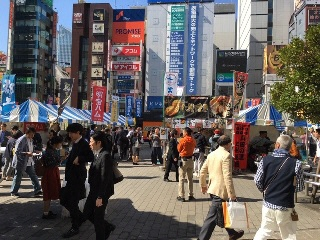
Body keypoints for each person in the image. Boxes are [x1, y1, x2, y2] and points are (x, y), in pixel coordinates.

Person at [254, 134, 304, 240]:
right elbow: (300, 187)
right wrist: (289, 190)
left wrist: (265, 190)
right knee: (288, 235)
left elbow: (257, 180)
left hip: (268, 202)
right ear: (290, 147)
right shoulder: (296, 163)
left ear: (277, 145)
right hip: (285, 204)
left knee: (264, 230)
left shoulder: (265, 160)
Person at [198, 135, 244, 240]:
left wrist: (203, 185)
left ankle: (232, 233)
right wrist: (232, 194)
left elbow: (202, 171)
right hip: (220, 191)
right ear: (228, 144)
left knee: (221, 212)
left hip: (212, 188)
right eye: (230, 143)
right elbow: (227, 176)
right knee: (212, 218)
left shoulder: (212, 154)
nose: (231, 145)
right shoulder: (226, 155)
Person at [79, 131, 115, 240]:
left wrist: (100, 197)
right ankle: (108, 226)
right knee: (86, 213)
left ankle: (102, 235)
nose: (89, 144)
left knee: (98, 219)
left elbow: (105, 178)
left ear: (98, 143)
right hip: (94, 190)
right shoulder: (97, 153)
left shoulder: (105, 155)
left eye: (91, 142)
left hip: (101, 192)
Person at [61, 123, 94, 239]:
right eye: (69, 133)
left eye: (71, 133)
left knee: (72, 202)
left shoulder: (83, 143)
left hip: (77, 177)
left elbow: (91, 157)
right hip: (71, 177)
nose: (69, 135)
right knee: (64, 199)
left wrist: (80, 158)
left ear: (78, 133)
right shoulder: (75, 143)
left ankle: (75, 226)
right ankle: (80, 218)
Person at [10, 127, 42, 197]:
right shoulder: (21, 140)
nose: (32, 136)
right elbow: (17, 152)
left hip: (29, 161)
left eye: (33, 134)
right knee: (18, 176)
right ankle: (14, 191)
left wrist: (35, 151)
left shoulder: (31, 139)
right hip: (21, 161)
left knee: (33, 175)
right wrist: (26, 153)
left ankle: (38, 190)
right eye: (31, 134)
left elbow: (31, 149)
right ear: (27, 133)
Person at [41, 136, 64, 219]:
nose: (61, 145)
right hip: (51, 173)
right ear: (56, 144)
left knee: (48, 193)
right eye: (60, 143)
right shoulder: (52, 152)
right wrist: (63, 158)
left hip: (49, 172)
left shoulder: (48, 150)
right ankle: (46, 213)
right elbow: (56, 162)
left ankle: (46, 211)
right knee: (48, 192)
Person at [177, 127, 196, 202]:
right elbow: (194, 146)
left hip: (184, 160)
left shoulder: (183, 140)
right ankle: (191, 194)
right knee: (190, 178)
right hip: (191, 160)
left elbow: (179, 149)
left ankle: (182, 196)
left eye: (183, 131)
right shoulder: (193, 140)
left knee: (181, 178)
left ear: (185, 132)